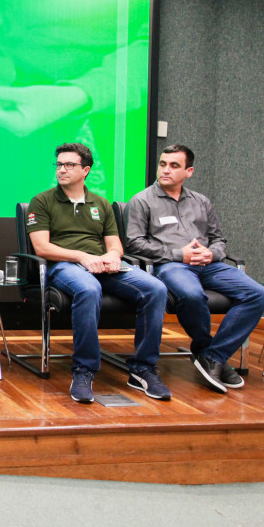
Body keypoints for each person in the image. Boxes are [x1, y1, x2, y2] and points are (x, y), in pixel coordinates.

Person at [26, 142, 169, 404]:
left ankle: (142, 369)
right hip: (65, 265)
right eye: (59, 165)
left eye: (69, 165)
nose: (61, 170)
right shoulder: (42, 200)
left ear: (86, 170)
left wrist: (112, 257)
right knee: (89, 288)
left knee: (156, 288)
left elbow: (115, 245)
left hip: (102, 264)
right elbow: (42, 247)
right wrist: (82, 257)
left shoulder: (101, 204)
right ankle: (84, 370)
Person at [124, 143, 264, 394]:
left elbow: (219, 239)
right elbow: (134, 244)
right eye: (162, 164)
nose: (166, 170)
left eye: (174, 166)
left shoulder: (201, 202)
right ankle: (205, 350)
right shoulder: (142, 201)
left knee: (259, 295)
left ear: (188, 171)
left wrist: (212, 252)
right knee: (191, 295)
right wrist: (180, 254)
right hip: (172, 266)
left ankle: (214, 355)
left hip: (209, 265)